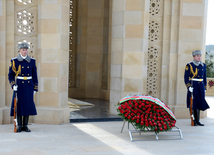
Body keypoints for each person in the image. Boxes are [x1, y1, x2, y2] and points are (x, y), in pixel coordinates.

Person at [8, 42, 38, 132]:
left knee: (27, 105)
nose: (25, 51)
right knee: (19, 105)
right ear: (20, 50)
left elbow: (35, 75)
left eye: (26, 50)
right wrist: (13, 85)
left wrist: (35, 88)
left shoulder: (32, 61)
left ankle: (25, 126)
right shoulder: (15, 61)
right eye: (23, 50)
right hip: (19, 85)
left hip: (29, 85)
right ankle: (20, 126)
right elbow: (11, 75)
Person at [184, 50, 209, 126]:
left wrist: (204, 87)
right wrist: (189, 86)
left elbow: (204, 77)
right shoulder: (190, 65)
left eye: (200, 56)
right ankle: (193, 120)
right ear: (194, 57)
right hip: (193, 85)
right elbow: (186, 77)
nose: (199, 57)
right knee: (193, 103)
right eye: (197, 56)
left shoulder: (203, 65)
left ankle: (198, 121)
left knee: (199, 102)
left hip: (200, 86)